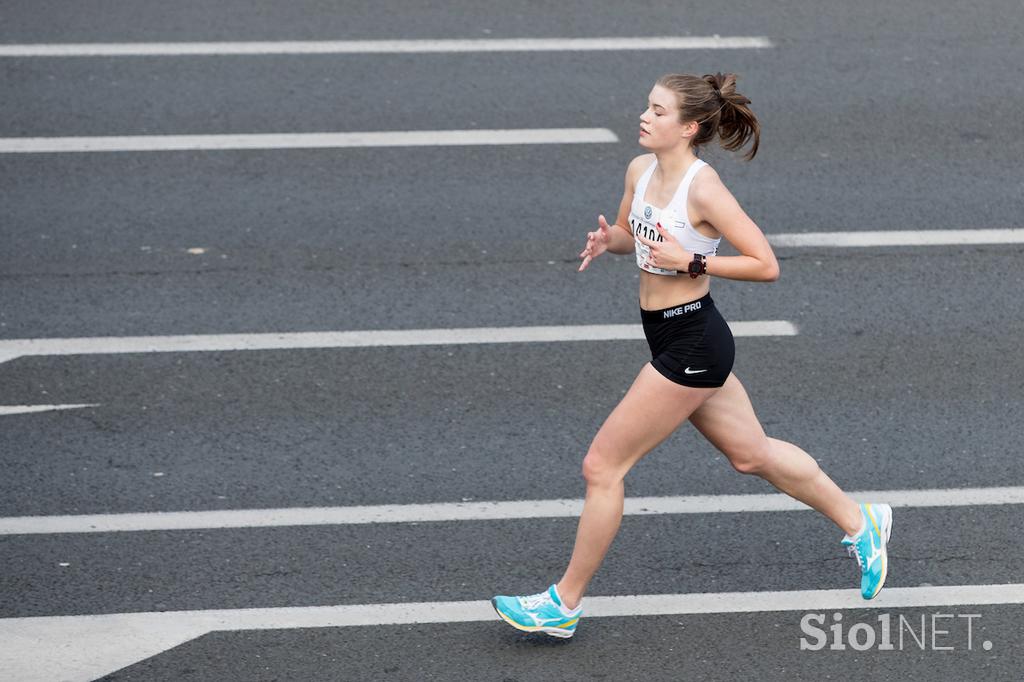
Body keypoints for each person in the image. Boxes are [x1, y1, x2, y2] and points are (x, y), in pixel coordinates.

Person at [491, 72, 892, 639]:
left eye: (657, 112)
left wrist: (693, 263)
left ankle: (563, 602)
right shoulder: (640, 170)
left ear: (689, 127)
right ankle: (862, 519)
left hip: (693, 342)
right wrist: (612, 241)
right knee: (751, 455)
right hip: (671, 333)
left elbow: (765, 264)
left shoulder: (705, 189)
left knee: (602, 466)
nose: (644, 117)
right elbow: (637, 234)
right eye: (646, 108)